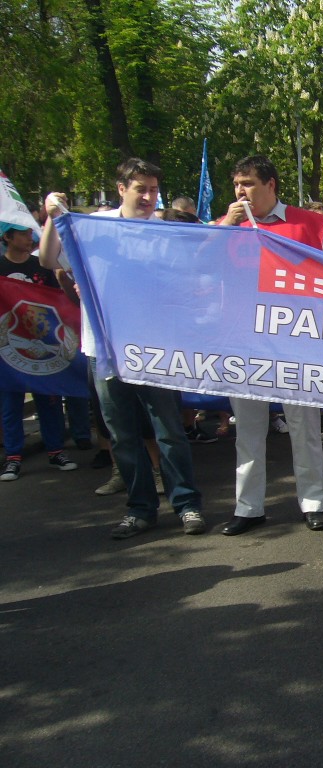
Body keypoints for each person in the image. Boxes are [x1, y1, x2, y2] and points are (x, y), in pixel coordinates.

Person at [39, 158, 206, 538]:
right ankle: (140, 509)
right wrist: (52, 216)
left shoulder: (164, 232)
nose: (148, 197)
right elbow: (48, 259)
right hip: (105, 350)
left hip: (155, 347)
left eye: (153, 190)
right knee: (123, 435)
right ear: (121, 189)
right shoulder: (93, 229)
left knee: (169, 431)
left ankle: (187, 504)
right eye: (140, 189)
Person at [216, 155, 323, 535]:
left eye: (248, 183)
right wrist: (226, 227)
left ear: (270, 185)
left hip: (294, 340)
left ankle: (313, 502)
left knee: (304, 426)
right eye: (236, 184)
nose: (240, 191)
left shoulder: (307, 223)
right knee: (248, 429)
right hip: (244, 341)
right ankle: (248, 507)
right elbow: (201, 266)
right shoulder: (225, 227)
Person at [0, 223, 79, 481]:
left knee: (49, 398)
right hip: (8, 349)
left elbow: (59, 301)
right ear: (7, 237)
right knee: (10, 403)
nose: (29, 237)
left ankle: (56, 450)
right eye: (23, 234)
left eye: (29, 233)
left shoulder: (41, 267)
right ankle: (13, 457)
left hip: (45, 344)